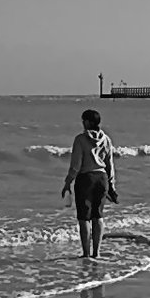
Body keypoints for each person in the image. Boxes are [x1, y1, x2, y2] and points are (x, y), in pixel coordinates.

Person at [61, 109, 118, 258]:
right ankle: (96, 253)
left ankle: (86, 253)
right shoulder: (106, 139)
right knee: (97, 216)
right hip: (102, 178)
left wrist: (68, 183)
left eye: (83, 120)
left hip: (86, 179)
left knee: (84, 217)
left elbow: (76, 166)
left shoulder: (80, 139)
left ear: (87, 122)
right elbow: (109, 164)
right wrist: (111, 184)